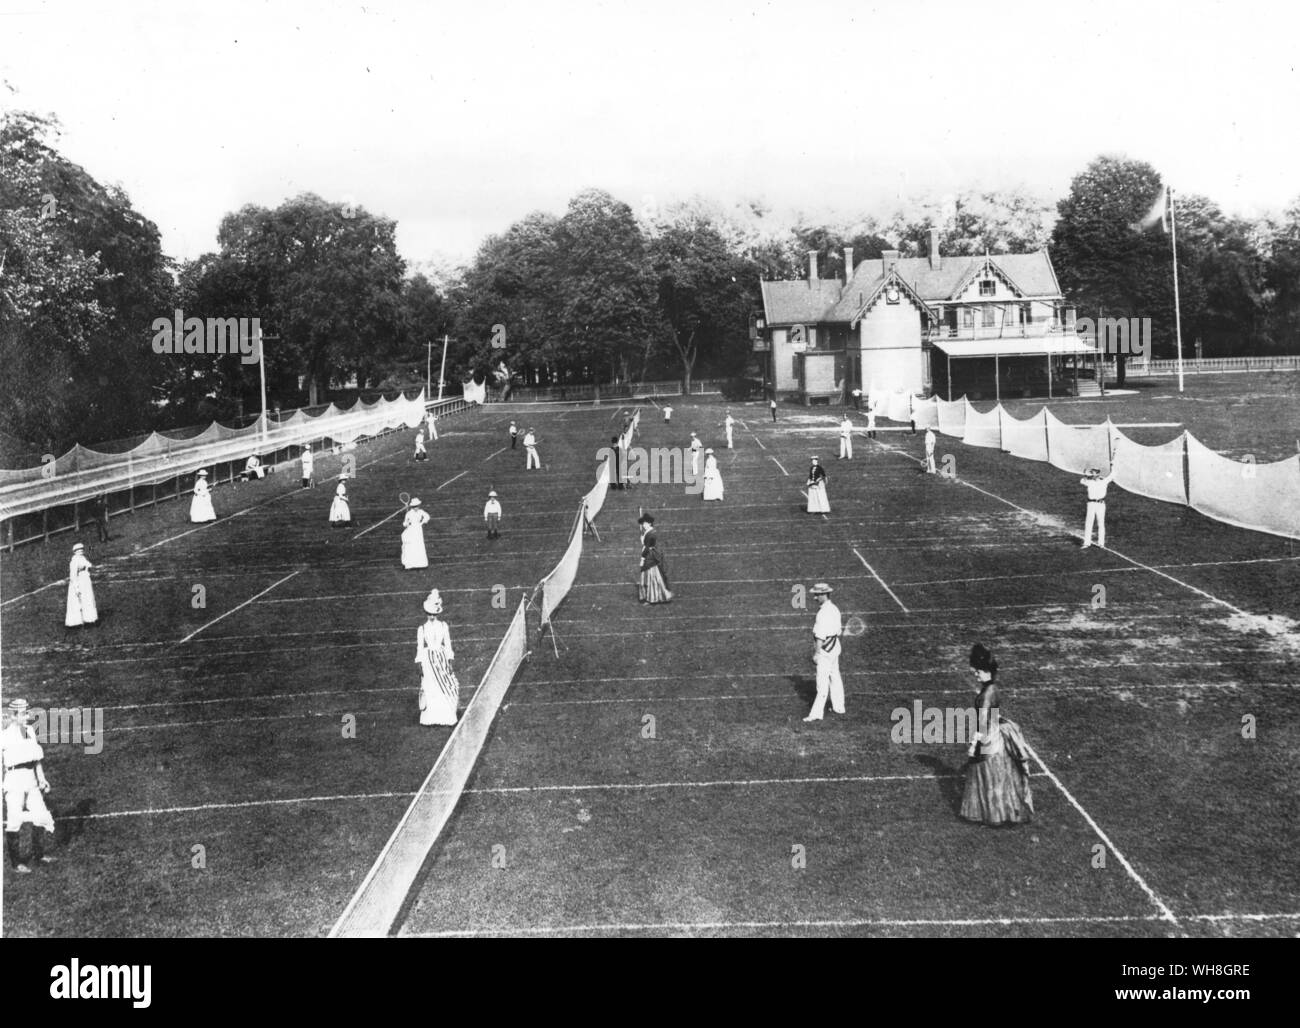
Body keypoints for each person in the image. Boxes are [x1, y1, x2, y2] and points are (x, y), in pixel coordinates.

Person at [960, 644, 1034, 826]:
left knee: (985, 774)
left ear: (986, 671)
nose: (975, 674)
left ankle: (992, 815)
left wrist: (975, 744)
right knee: (996, 778)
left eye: (977, 671)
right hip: (994, 735)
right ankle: (1000, 813)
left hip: (989, 738)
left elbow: (984, 720)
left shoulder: (987, 694)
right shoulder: (992, 689)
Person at [2, 699, 56, 874]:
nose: (27, 716)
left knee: (40, 815)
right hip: (14, 780)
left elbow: (35, 759)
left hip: (30, 780)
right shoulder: (5, 736)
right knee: (14, 820)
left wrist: (42, 779)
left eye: (27, 712)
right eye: (24, 714)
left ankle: (38, 855)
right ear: (13, 716)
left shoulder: (29, 732)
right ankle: (17, 863)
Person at [415, 590, 458, 726]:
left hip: (441, 658)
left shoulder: (443, 626)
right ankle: (431, 718)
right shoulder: (421, 629)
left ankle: (446, 716)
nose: (431, 617)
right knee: (431, 687)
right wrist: (420, 664)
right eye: (429, 614)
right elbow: (420, 648)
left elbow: (448, 644)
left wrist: (450, 661)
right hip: (428, 661)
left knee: (446, 684)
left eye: (434, 614)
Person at [803, 583, 844, 721]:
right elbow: (838, 631)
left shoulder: (822, 613)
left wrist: (817, 653)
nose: (815, 598)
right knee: (835, 677)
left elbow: (820, 636)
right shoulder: (835, 609)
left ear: (823, 595)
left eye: (816, 595)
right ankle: (839, 707)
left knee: (822, 683)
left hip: (825, 651)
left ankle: (815, 714)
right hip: (835, 647)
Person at [1081, 460, 1118, 549]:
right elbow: (1082, 480)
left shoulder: (1103, 481)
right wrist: (1086, 474)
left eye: (1095, 472)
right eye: (1093, 472)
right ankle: (1087, 543)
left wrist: (1112, 464)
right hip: (1091, 504)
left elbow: (1113, 474)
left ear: (1098, 473)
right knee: (1089, 523)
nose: (1094, 474)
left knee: (1101, 523)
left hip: (1101, 504)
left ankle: (1101, 543)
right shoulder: (1089, 482)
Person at [636, 513, 673, 604]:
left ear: (649, 523)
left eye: (645, 523)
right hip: (651, 555)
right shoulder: (649, 532)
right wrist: (643, 540)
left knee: (651, 577)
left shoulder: (651, 534)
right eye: (643, 523)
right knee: (652, 577)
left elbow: (647, 548)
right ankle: (654, 595)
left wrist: (642, 559)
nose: (643, 525)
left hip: (650, 557)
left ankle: (652, 598)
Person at [65, 542, 98, 628]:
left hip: (85, 582)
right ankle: (77, 621)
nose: (81, 552)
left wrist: (87, 568)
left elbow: (89, 565)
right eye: (78, 551)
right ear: (75, 552)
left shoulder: (82, 558)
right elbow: (73, 576)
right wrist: (76, 588)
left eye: (81, 550)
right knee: (79, 601)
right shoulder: (74, 561)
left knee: (88, 599)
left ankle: (89, 619)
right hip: (79, 583)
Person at [400, 498, 430, 569]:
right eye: (415, 506)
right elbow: (405, 524)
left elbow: (427, 516)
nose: (417, 507)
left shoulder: (421, 511)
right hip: (411, 530)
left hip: (418, 530)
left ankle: (420, 564)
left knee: (419, 544)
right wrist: (407, 523)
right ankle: (410, 564)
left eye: (417, 506)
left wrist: (422, 522)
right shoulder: (409, 513)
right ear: (413, 507)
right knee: (410, 545)